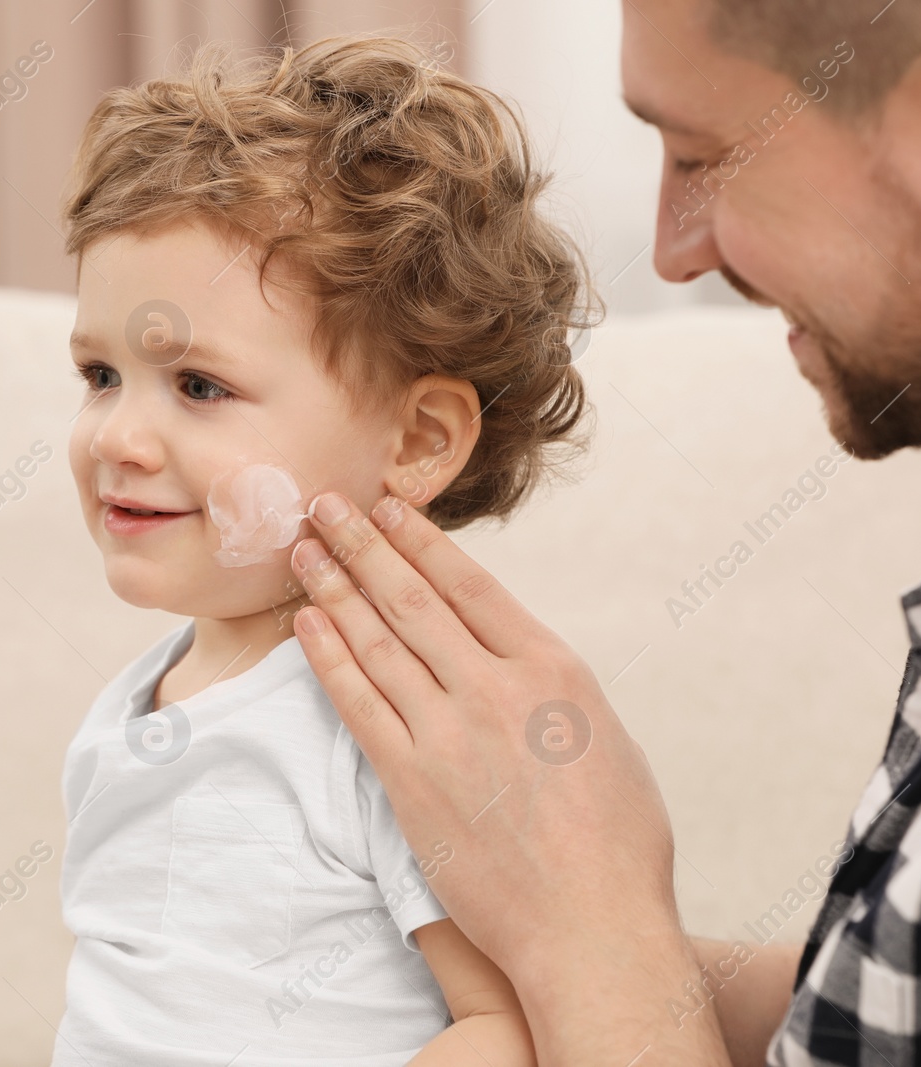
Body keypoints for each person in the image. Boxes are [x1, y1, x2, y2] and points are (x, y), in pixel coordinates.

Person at [287, 2, 921, 1065]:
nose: (673, 250)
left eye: (703, 156)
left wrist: (592, 938)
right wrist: (526, 938)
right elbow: (914, 1014)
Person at [51, 35, 600, 1066]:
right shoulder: (127, 707)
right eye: (98, 374)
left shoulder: (397, 727)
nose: (116, 436)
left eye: (198, 386)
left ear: (417, 441)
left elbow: (502, 1022)